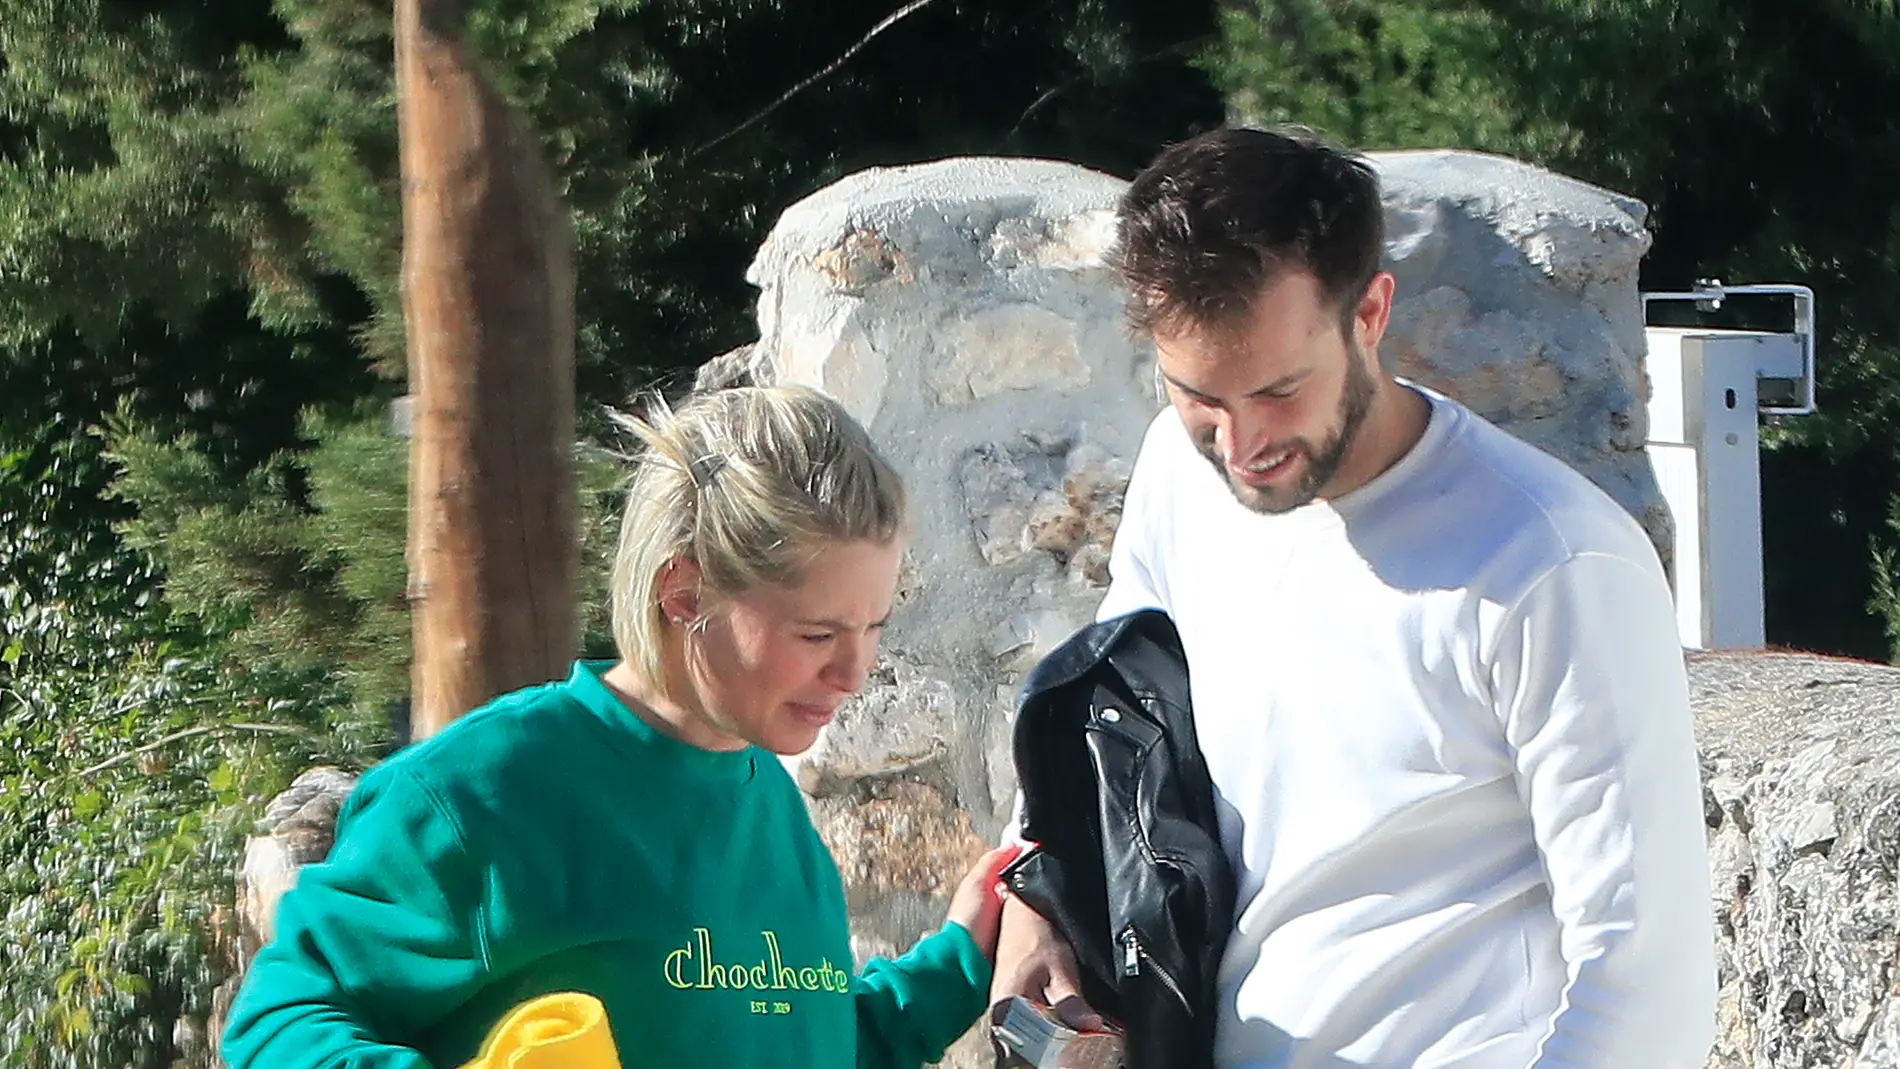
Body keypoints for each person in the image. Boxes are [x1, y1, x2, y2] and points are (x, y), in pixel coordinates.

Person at [991, 126, 1717, 1069]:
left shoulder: (1552, 562)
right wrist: (1034, 893)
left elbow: (1645, 984)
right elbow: (1114, 712)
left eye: (1280, 390)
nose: (1242, 443)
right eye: (1199, 393)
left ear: (1370, 313)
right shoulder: (1180, 470)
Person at [222, 384, 1019, 1069]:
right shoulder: (479, 793)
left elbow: (798, 1043)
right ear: (683, 594)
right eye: (817, 634)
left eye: (873, 627)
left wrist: (957, 963)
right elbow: (272, 1030)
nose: (853, 673)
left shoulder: (771, 806)